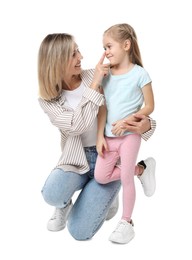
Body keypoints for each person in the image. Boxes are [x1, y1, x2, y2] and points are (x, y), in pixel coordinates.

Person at [37, 33, 156, 241]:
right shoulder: (49, 100)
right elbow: (76, 126)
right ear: (57, 60)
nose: (81, 57)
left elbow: (129, 104)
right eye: (73, 53)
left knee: (79, 232)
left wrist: (147, 125)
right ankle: (65, 205)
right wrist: (93, 86)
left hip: (108, 155)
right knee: (52, 194)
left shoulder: (99, 74)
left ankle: (117, 187)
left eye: (78, 50)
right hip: (77, 160)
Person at [94, 23, 156, 244]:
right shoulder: (106, 75)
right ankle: (142, 169)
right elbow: (102, 107)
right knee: (101, 176)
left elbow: (149, 106)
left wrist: (128, 121)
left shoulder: (140, 74)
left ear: (126, 45)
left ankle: (126, 221)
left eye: (109, 46)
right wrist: (100, 135)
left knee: (125, 177)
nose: (106, 52)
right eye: (104, 47)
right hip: (109, 137)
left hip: (130, 135)